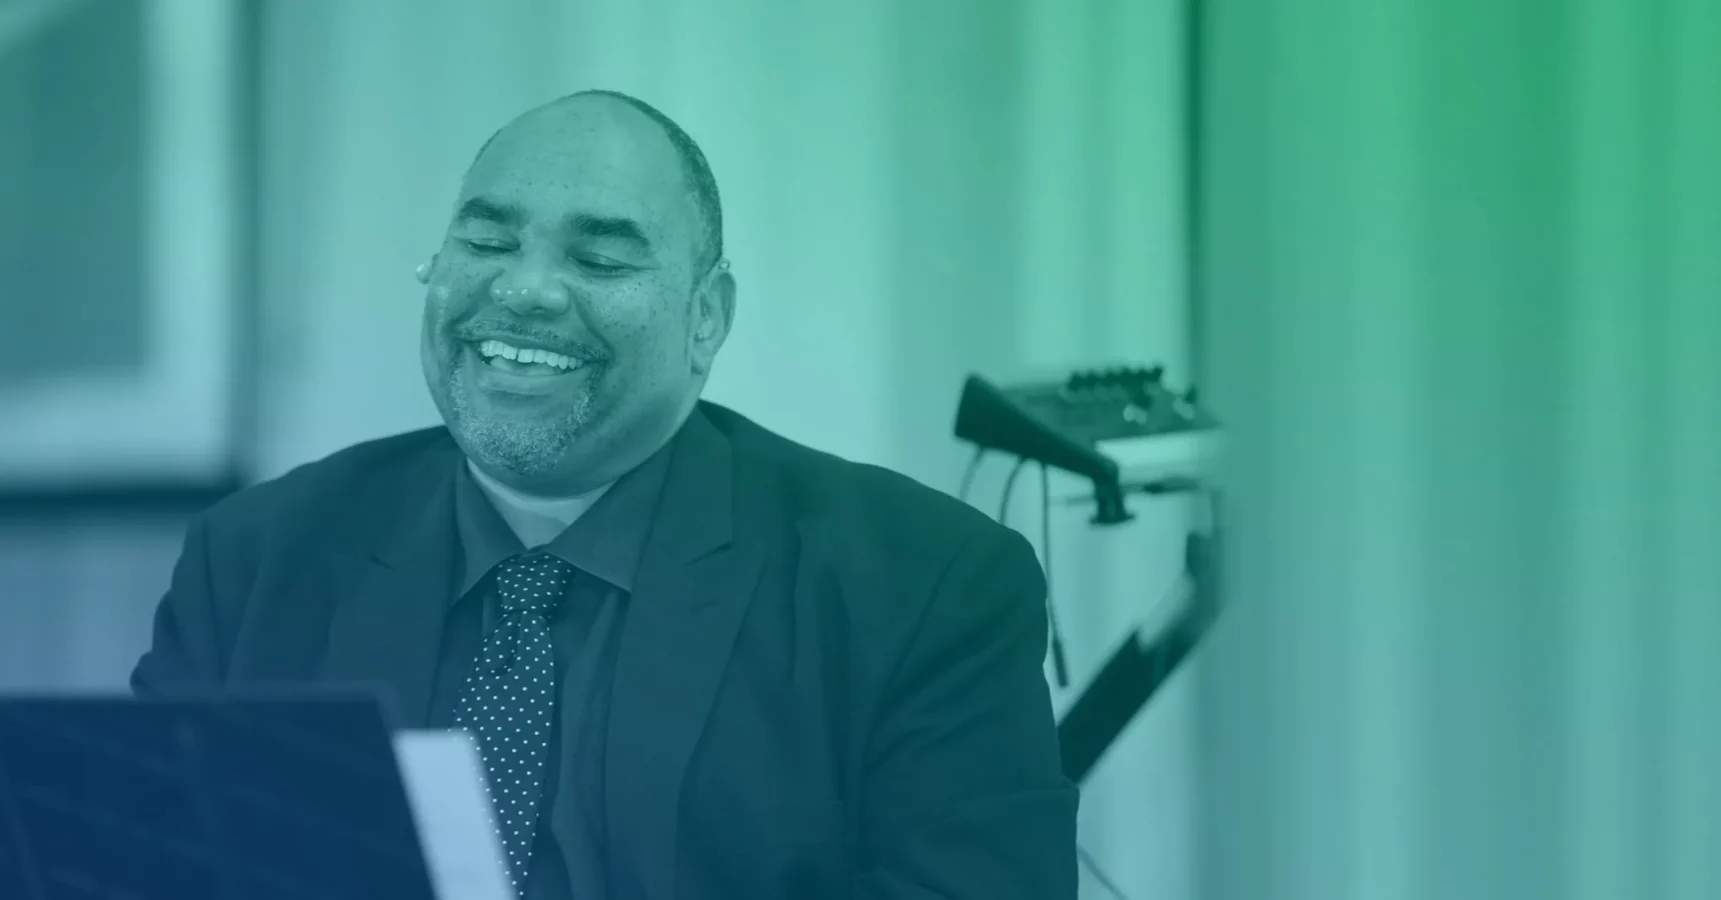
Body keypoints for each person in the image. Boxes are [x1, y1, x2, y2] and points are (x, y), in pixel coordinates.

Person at [132, 90, 1077, 900]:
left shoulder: (919, 584)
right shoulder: (259, 555)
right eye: (487, 240)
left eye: (600, 261)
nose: (525, 290)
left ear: (705, 319)